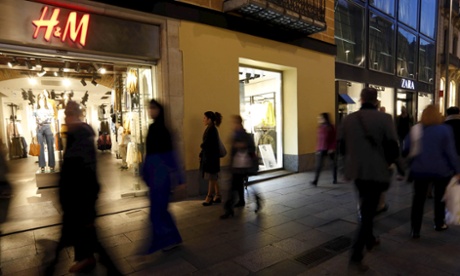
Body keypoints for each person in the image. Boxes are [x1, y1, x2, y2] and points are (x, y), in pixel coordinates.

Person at [45, 101, 122, 275]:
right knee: (85, 237)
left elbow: (83, 171)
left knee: (80, 238)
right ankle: (87, 259)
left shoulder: (80, 135)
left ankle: (56, 267)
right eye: (66, 114)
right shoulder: (77, 134)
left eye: (69, 114)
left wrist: (80, 198)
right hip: (77, 198)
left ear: (75, 115)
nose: (66, 117)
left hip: (80, 199)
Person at [338, 87, 399, 271]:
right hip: (377, 172)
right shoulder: (385, 118)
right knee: (368, 213)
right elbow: (393, 148)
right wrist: (398, 166)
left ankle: (370, 239)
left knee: (366, 207)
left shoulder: (349, 119)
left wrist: (346, 166)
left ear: (361, 99)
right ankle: (356, 255)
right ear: (376, 100)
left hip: (357, 172)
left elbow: (342, 147)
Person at [402, 105, 460, 239]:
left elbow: (406, 148)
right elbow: (450, 153)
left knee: (418, 200)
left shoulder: (416, 129)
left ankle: (415, 229)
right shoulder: (445, 129)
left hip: (420, 170)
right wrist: (456, 170)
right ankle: (439, 223)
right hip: (441, 171)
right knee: (440, 199)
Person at [142, 99, 183, 252]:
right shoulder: (154, 128)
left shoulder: (162, 130)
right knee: (160, 210)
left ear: (159, 110)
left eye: (153, 108)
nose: (150, 111)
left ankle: (164, 240)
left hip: (160, 175)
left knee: (157, 211)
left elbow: (172, 155)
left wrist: (180, 179)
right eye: (149, 108)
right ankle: (172, 238)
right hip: (155, 174)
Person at [220, 115, 257, 219]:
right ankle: (241, 201)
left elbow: (251, 147)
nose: (233, 125)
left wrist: (241, 145)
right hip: (237, 165)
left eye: (234, 122)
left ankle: (229, 210)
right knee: (238, 186)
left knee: (232, 188)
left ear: (239, 123)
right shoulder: (235, 134)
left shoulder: (244, 134)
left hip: (241, 166)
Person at [200, 111, 223, 206]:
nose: (203, 120)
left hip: (211, 158)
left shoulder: (212, 129)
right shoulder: (210, 128)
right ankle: (217, 195)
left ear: (209, 119)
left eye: (205, 118)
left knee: (211, 177)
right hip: (211, 157)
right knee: (213, 177)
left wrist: (202, 146)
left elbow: (208, 144)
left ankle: (209, 197)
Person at [311, 112, 337, 185]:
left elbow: (334, 138)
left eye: (321, 118)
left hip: (329, 149)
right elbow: (319, 139)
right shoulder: (320, 127)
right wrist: (317, 149)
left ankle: (335, 178)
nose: (319, 119)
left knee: (332, 164)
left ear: (325, 119)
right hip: (321, 148)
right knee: (318, 165)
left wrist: (332, 148)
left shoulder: (331, 127)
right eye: (319, 118)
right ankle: (315, 180)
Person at [34, 93, 56, 173]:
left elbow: (52, 117)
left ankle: (52, 164)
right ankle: (42, 165)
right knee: (40, 147)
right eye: (39, 99)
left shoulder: (49, 107)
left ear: (45, 99)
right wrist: (34, 131)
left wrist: (53, 129)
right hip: (39, 127)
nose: (41, 101)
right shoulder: (36, 108)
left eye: (42, 99)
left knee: (50, 146)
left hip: (47, 126)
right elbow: (34, 119)